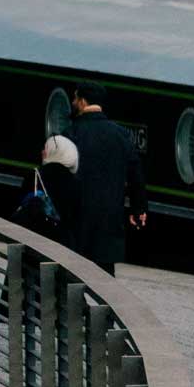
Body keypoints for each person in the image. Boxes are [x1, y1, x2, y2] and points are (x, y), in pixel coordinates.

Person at [67, 81, 148, 275]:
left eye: (75, 98)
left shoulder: (71, 133)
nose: (73, 102)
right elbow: (136, 175)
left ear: (82, 101)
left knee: (73, 275)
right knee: (105, 276)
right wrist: (138, 208)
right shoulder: (121, 134)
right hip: (110, 218)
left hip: (78, 219)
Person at [40, 132, 81, 233]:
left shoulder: (39, 175)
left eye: (46, 148)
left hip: (38, 232)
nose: (42, 152)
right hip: (64, 237)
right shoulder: (76, 182)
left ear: (54, 151)